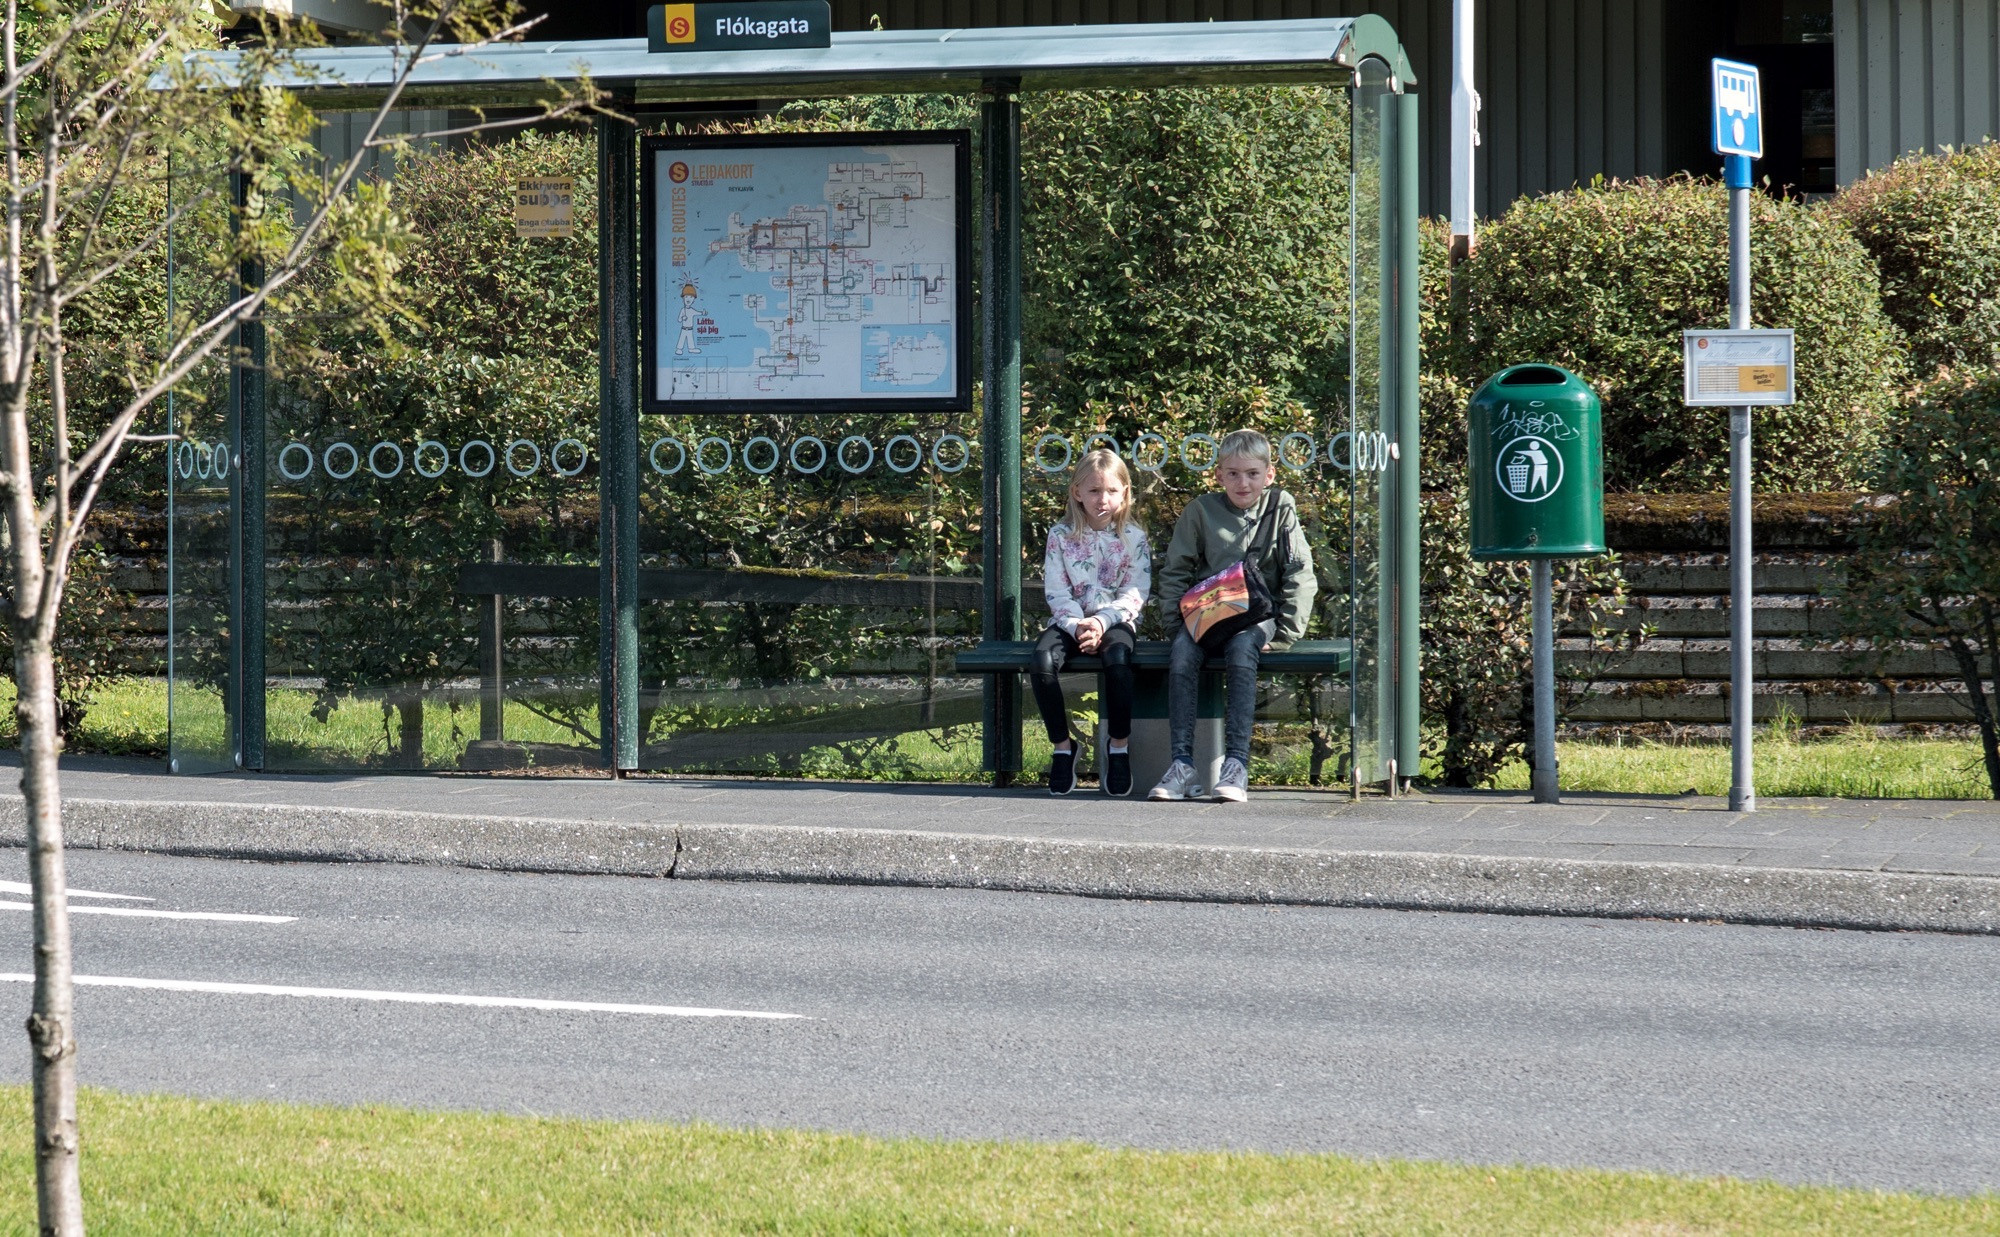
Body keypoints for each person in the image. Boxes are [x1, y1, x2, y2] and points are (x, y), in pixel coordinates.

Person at [1149, 429, 1316, 803]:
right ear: (1219, 475)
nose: (1243, 483)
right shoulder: (1200, 511)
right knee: (1182, 654)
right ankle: (1182, 765)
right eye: (1234, 474)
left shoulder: (1280, 507)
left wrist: (1286, 633)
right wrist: (1177, 626)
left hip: (1257, 616)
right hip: (1209, 614)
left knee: (1242, 651)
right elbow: (1176, 570)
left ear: (1269, 474)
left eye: (1252, 474)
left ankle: (1236, 764)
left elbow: (1299, 572)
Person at [1033, 448, 1151, 797]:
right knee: (1042, 662)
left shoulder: (1134, 538)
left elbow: (1135, 592)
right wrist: (1077, 626)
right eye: (1095, 490)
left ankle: (1118, 745)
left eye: (1112, 491)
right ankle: (1062, 746)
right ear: (1077, 492)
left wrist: (1100, 622)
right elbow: (1057, 590)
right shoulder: (1060, 535)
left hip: (1115, 621)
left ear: (1124, 493)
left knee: (1118, 659)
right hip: (1070, 621)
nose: (1103, 499)